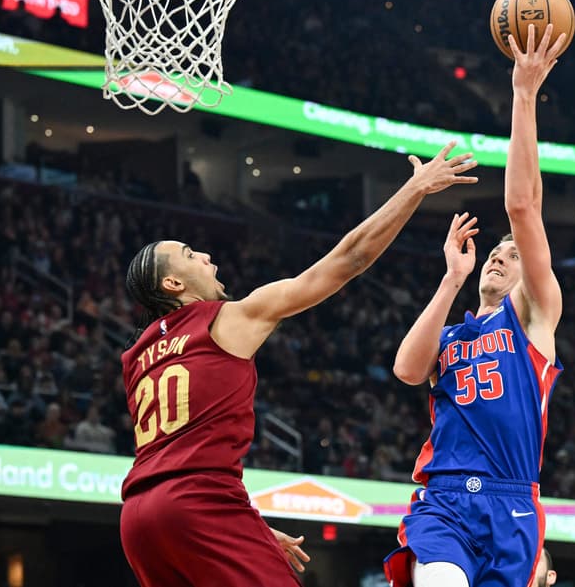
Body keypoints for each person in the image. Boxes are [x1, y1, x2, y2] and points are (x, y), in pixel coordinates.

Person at [118, 142, 477, 587]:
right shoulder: (228, 319)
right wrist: (416, 188)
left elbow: (175, 454)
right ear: (173, 283)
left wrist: (250, 527)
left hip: (138, 520)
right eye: (191, 255)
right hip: (199, 505)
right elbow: (349, 259)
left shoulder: (137, 355)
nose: (206, 257)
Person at [384, 24, 568, 587]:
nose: (500, 256)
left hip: (511, 503)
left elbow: (522, 206)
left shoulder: (535, 315)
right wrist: (449, 280)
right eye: (495, 251)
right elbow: (407, 370)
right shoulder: (456, 334)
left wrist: (523, 95)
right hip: (443, 499)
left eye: (512, 256)